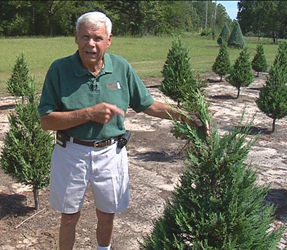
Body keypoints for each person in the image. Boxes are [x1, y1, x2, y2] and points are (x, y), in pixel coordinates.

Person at [38, 11, 209, 250]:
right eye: (85, 37)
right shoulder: (59, 70)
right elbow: (46, 121)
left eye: (97, 38)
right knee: (68, 217)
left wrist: (182, 116)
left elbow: (148, 104)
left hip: (110, 153)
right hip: (71, 153)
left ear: (109, 40)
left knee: (108, 214)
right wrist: (89, 113)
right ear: (75, 37)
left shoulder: (121, 67)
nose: (91, 44)